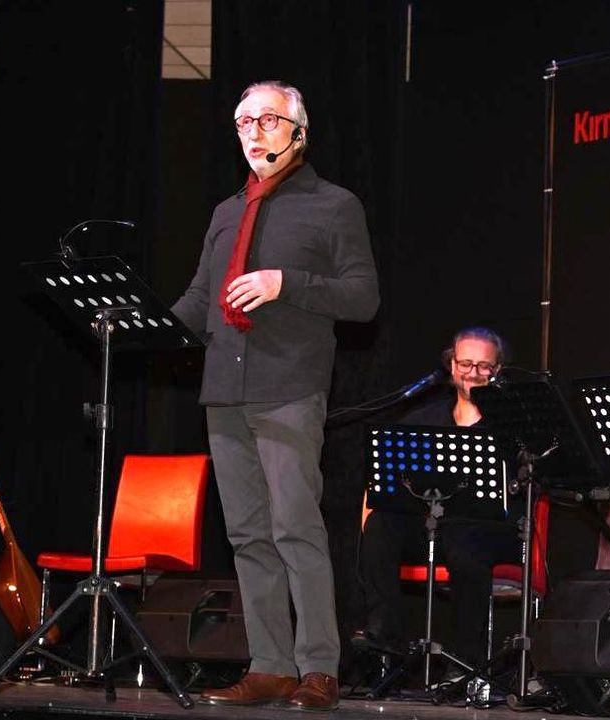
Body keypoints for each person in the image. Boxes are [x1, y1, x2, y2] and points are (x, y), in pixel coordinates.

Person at [171, 80, 380, 709]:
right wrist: (141, 326)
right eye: (243, 122)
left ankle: (319, 667)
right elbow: (200, 299)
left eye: (267, 119)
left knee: (295, 527)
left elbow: (363, 298)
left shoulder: (334, 205)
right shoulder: (226, 212)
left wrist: (285, 283)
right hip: (224, 390)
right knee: (247, 535)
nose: (253, 131)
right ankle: (270, 665)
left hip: (288, 386)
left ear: (298, 132)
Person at [354, 327, 522, 678]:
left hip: (489, 531)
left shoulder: (511, 424)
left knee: (466, 544)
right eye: (465, 363)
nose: (473, 373)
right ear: (451, 365)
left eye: (484, 366)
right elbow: (384, 478)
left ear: (498, 370)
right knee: (381, 525)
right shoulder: (423, 420)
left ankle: (464, 663)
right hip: (431, 526)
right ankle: (386, 637)